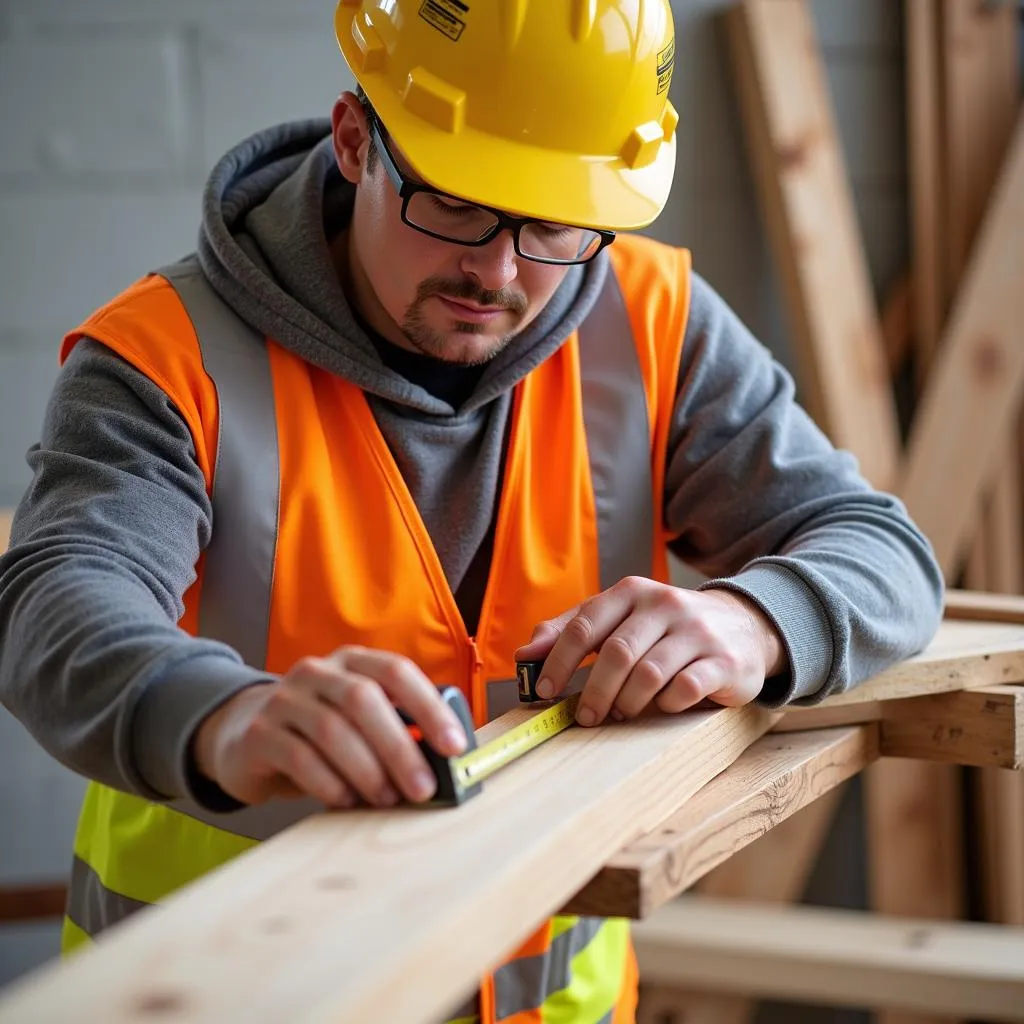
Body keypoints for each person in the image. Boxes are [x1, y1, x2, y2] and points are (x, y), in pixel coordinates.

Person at [0, 1, 943, 1021]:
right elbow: (56, 603)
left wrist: (755, 620)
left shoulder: (652, 319)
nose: (496, 272)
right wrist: (227, 718)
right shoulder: (165, 356)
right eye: (455, 203)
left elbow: (885, 553)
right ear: (357, 141)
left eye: (551, 222)